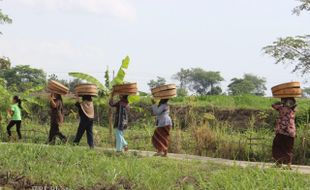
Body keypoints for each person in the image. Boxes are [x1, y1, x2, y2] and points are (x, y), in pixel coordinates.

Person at [272, 97, 297, 169]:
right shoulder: (293, 110)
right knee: (288, 148)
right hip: (291, 133)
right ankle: (288, 164)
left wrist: (281, 103)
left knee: (277, 147)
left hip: (282, 131)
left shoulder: (283, 108)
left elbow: (273, 105)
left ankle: (279, 164)